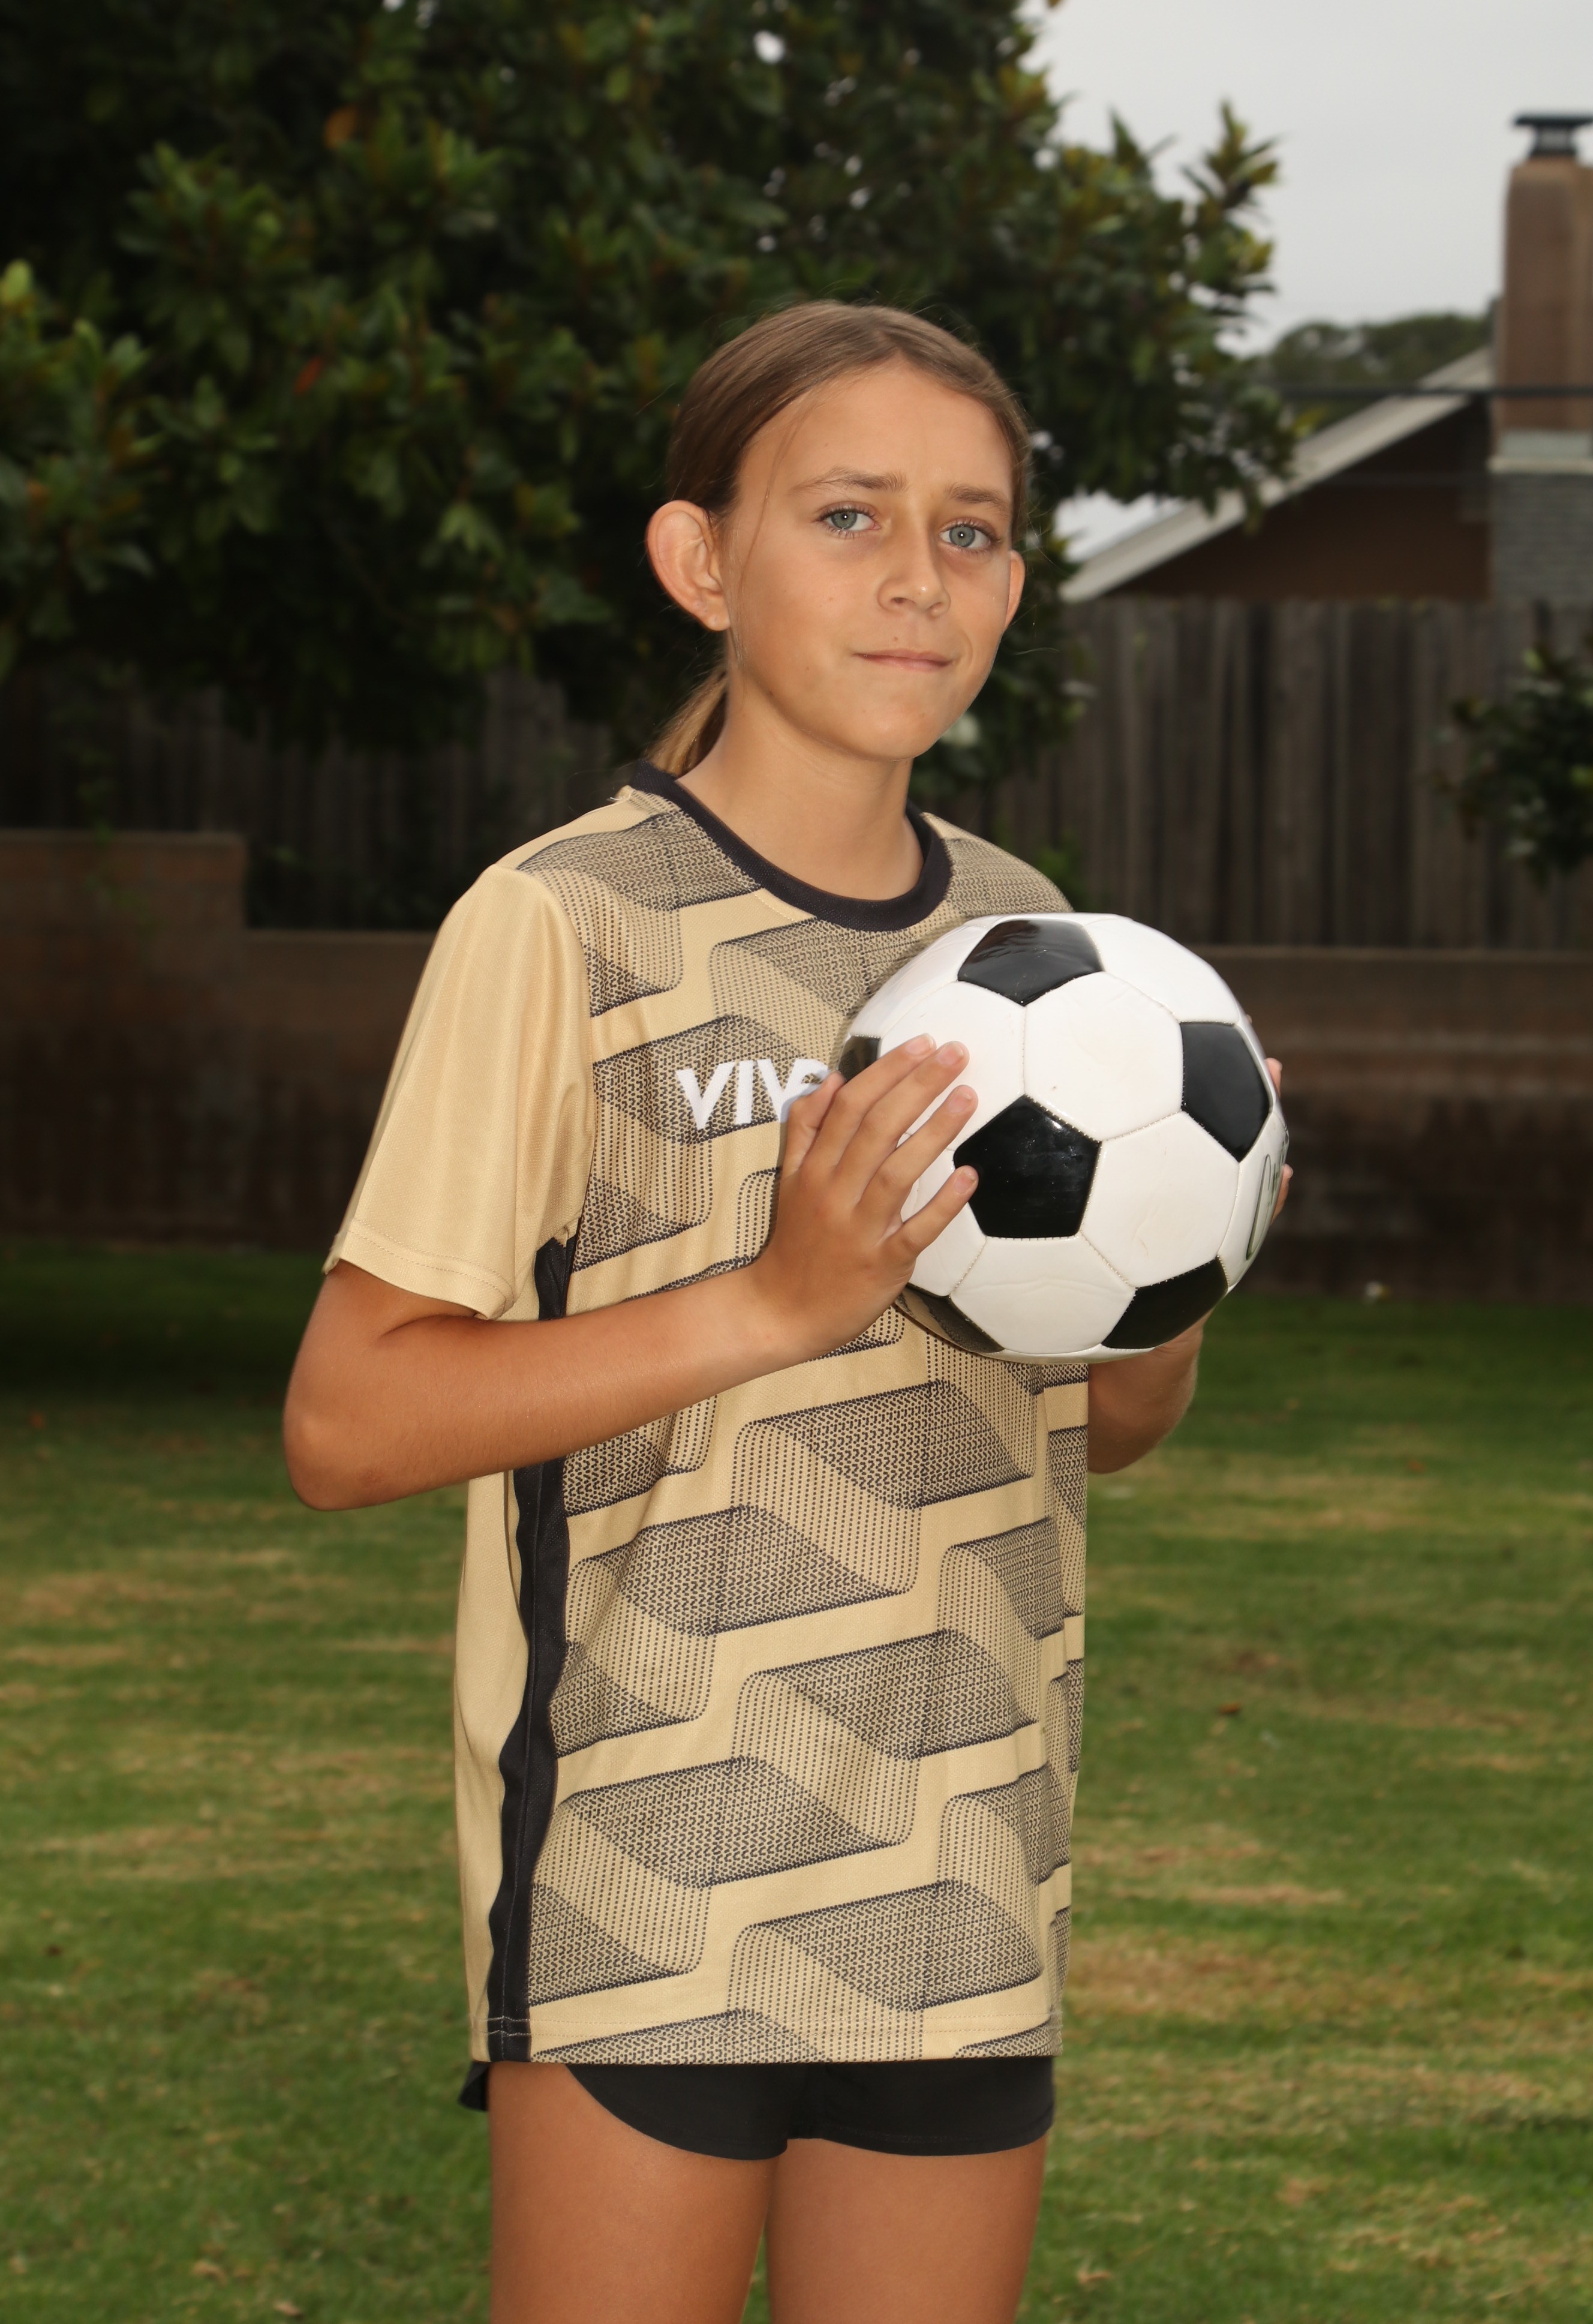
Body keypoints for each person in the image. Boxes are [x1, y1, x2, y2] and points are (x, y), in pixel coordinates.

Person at [284, 302, 1286, 2324]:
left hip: (964, 1866)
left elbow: (1102, 1424)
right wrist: (776, 1303)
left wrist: (1173, 1272)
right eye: (849, 515)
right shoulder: (562, 923)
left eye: (972, 529)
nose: (920, 575)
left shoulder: (1044, 945)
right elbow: (349, 1423)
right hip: (653, 1869)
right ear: (702, 561)